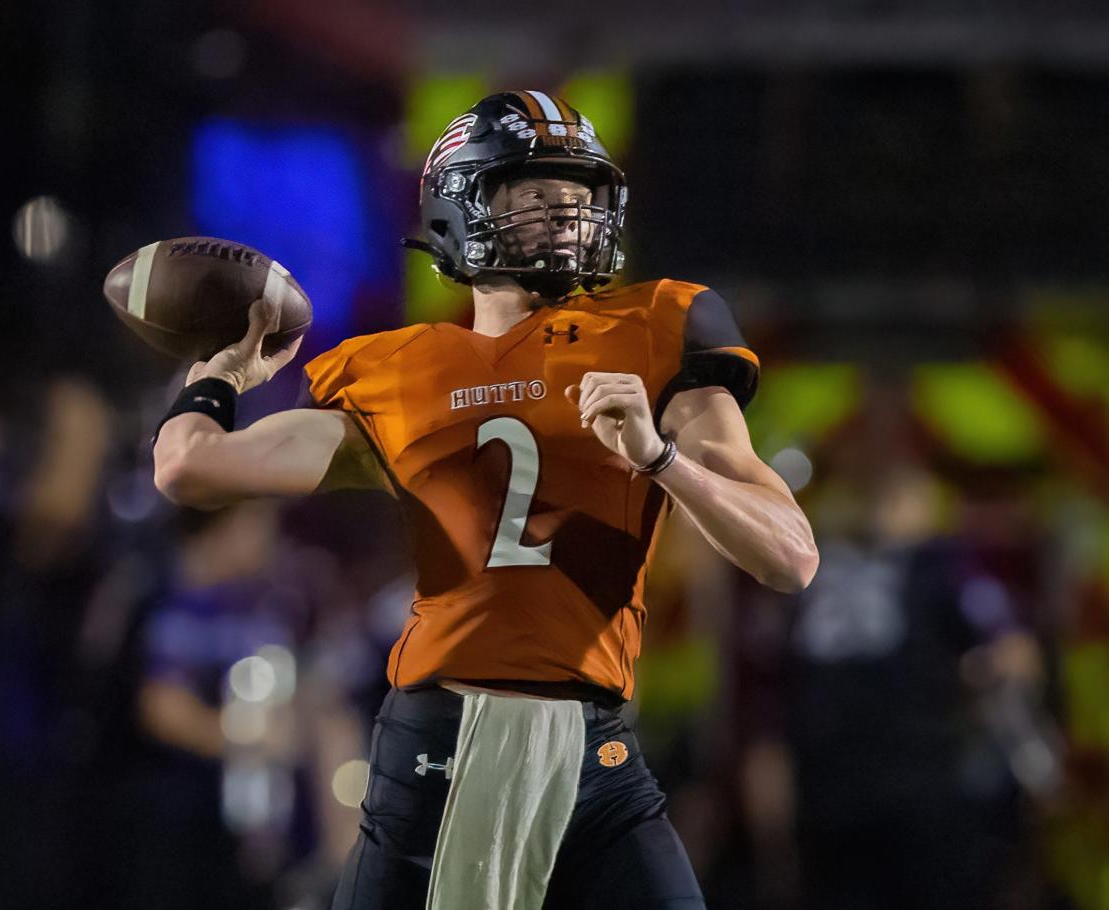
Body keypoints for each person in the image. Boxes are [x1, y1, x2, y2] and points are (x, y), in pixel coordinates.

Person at [153, 91, 818, 909]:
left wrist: (660, 456)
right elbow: (189, 468)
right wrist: (220, 374)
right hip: (455, 735)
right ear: (460, 205)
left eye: (578, 194)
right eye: (534, 193)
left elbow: (790, 556)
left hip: (596, 745)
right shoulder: (392, 370)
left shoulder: (658, 327)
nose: (566, 213)